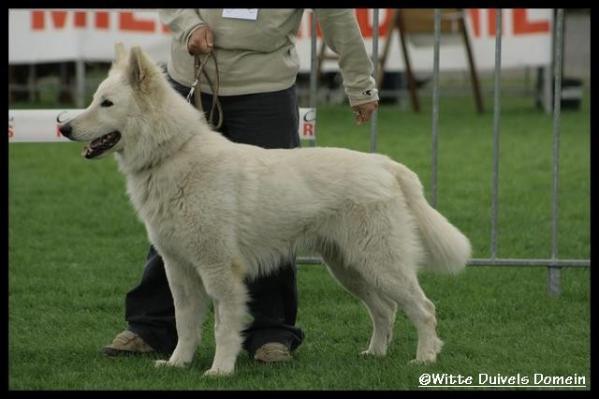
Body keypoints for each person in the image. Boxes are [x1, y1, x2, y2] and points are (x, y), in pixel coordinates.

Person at [103, 8, 379, 363]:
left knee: (277, 214)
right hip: (189, 83)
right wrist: (190, 26)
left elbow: (336, 14)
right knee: (172, 217)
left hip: (265, 90)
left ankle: (271, 333)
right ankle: (151, 326)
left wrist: (359, 83)